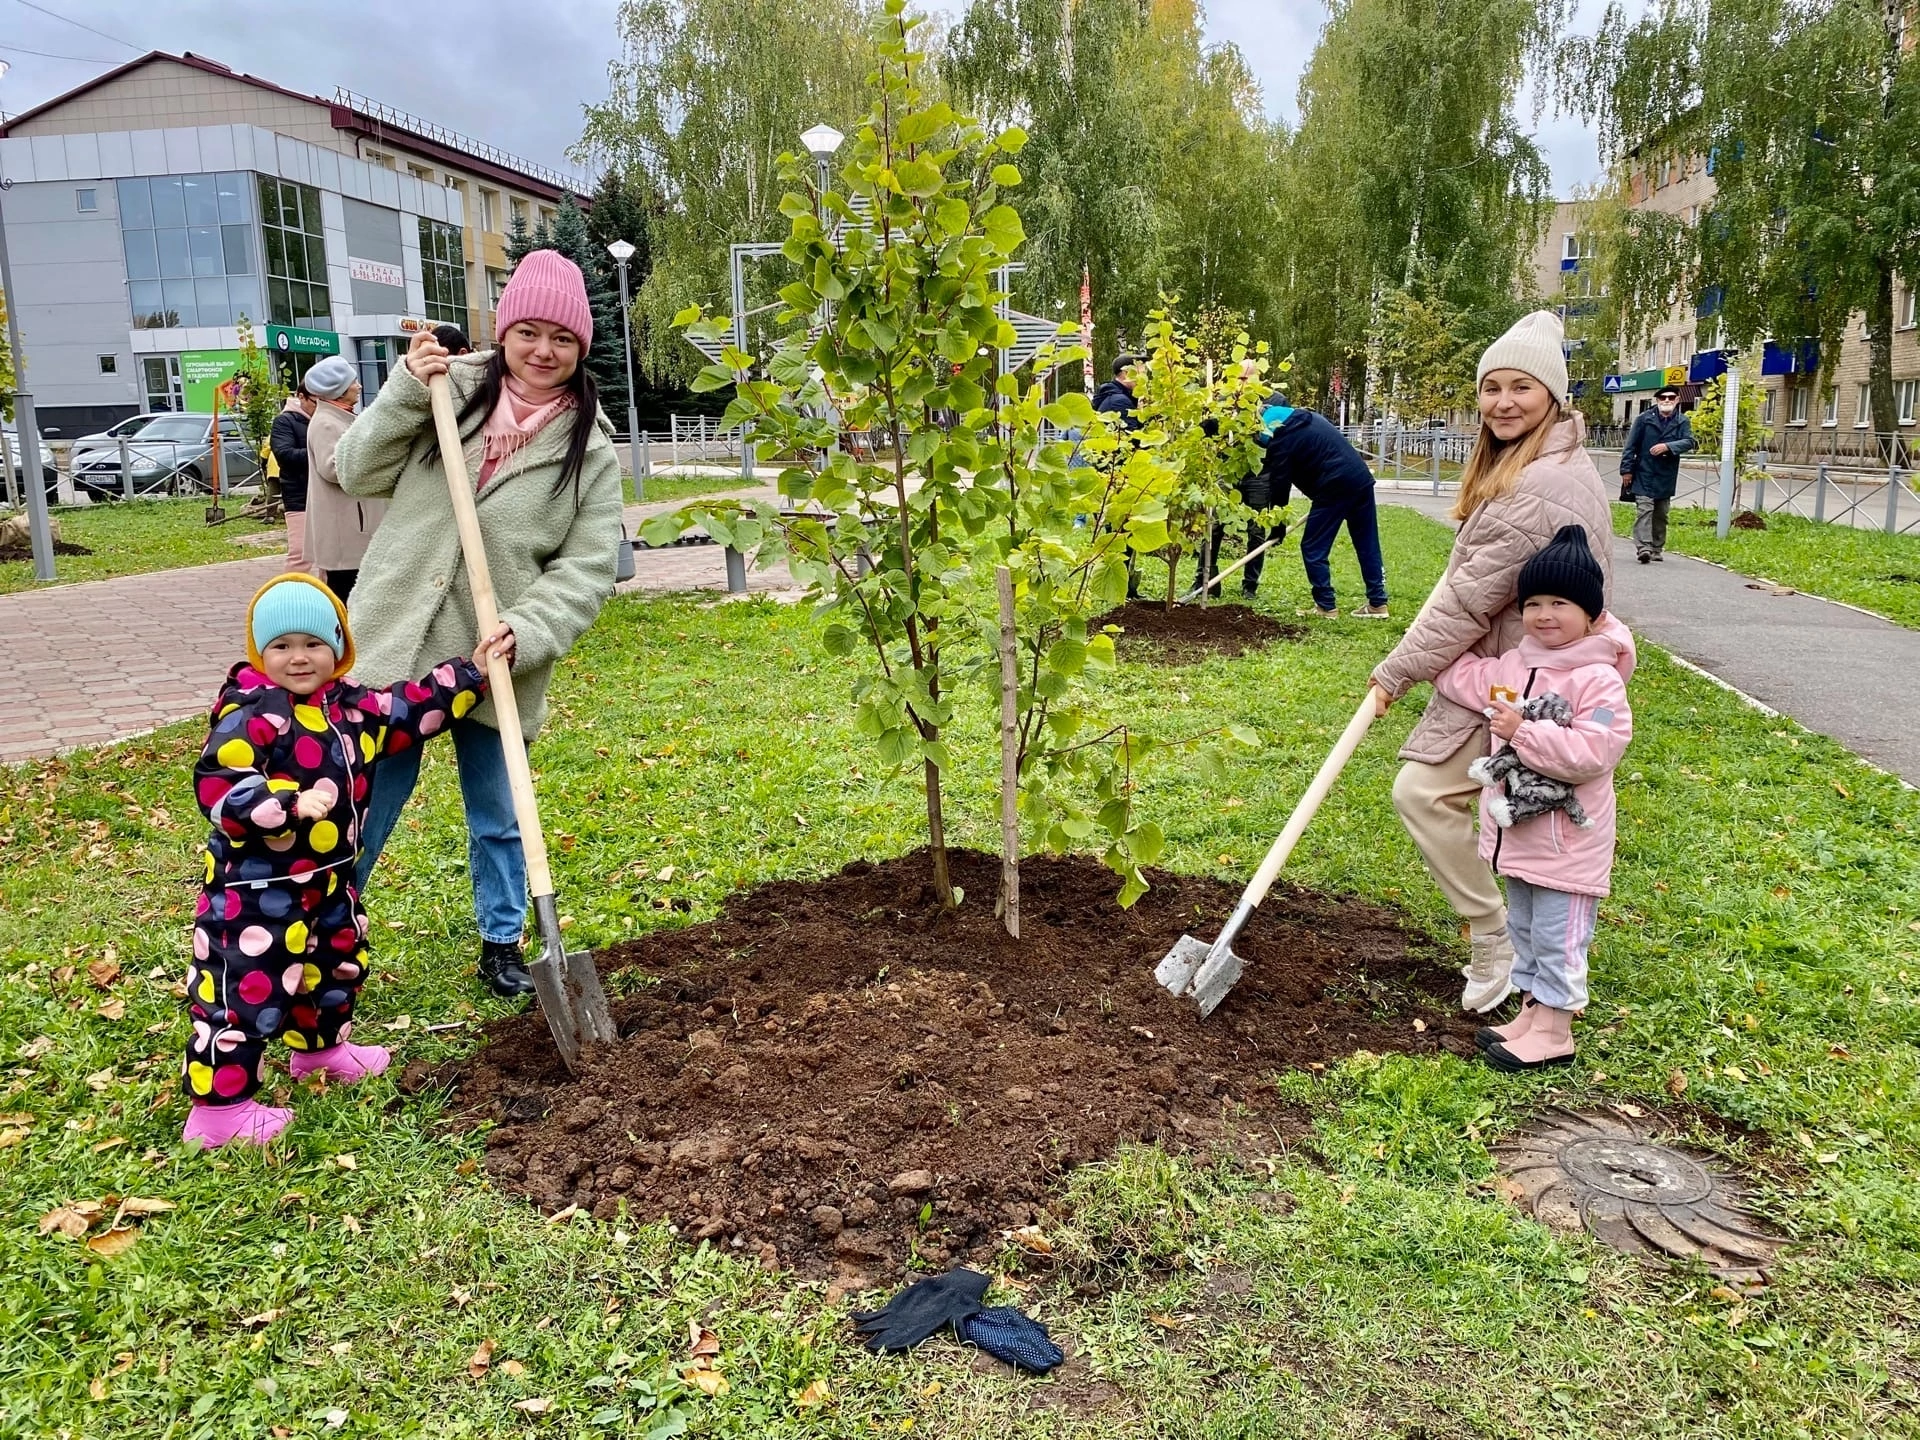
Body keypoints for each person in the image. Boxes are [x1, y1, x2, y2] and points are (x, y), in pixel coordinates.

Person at [338, 250, 624, 999]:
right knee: (362, 800)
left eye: (561, 338)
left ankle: (502, 943)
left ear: (580, 347)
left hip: (496, 654)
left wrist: (528, 630)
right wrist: (404, 388)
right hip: (399, 639)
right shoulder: (445, 390)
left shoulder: (589, 446)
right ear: (503, 333)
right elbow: (354, 469)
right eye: (527, 332)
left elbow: (589, 567)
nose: (542, 351)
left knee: (500, 815)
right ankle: (321, 930)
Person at [183, 573, 492, 1147]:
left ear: (339, 648)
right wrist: (286, 803)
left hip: (329, 883)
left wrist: (470, 672)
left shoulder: (353, 708)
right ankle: (219, 1112)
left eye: (313, 644)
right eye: (281, 646)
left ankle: (320, 1053)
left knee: (331, 968)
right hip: (255, 893)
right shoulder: (252, 714)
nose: (298, 658)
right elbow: (219, 786)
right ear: (260, 651)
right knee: (245, 988)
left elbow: (412, 709)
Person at [1370, 309, 1614, 1014]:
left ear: (1554, 398)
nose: (1503, 402)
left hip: (1529, 681)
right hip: (1521, 669)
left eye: (1522, 388)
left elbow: (1468, 603)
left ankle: (1496, 936)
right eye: (1490, 388)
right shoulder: (1533, 464)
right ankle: (1513, 935)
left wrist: (1397, 672)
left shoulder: (1542, 484)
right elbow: (1468, 587)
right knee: (1457, 801)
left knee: (1422, 794)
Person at [1432, 526, 1634, 1071]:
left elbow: (1595, 751)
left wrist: (1521, 731)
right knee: (1524, 930)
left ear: (1590, 615)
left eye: (1560, 603)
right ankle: (1531, 1014)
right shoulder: (1516, 665)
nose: (1545, 615)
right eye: (1534, 603)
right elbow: (1467, 679)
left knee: (1558, 936)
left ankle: (1557, 1031)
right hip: (1517, 838)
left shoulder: (1599, 681)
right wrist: (1434, 645)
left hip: (1566, 842)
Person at [1258, 397, 1389, 618]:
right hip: (1360, 478)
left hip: (1335, 485)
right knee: (1367, 542)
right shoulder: (1307, 418)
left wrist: (1277, 525)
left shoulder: (1283, 438)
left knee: (1313, 547)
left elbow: (1279, 484)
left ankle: (1326, 606)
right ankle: (1378, 603)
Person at [1202, 361, 1285, 599]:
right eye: (1238, 379)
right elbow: (1214, 432)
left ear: (1258, 378)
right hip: (1227, 471)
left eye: (1246, 378)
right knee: (1213, 525)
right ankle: (1207, 578)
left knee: (1257, 528)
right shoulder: (1224, 401)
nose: (1241, 384)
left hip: (1260, 472)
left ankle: (1250, 585)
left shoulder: (1275, 401)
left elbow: (1275, 437)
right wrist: (1210, 426)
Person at [302, 356, 382, 602]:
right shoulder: (327, 423)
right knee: (346, 597)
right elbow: (333, 468)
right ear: (338, 390)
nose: (358, 386)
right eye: (353, 382)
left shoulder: (338, 418)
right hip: (346, 532)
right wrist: (377, 458)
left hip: (352, 528)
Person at [1619, 386, 1696, 563]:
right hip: (1644, 472)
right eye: (1662, 398)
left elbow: (1689, 441)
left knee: (1661, 513)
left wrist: (1668, 447)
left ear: (1677, 400)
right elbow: (1630, 446)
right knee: (1645, 510)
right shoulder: (1644, 419)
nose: (1666, 400)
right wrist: (1626, 470)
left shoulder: (1682, 420)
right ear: (1657, 401)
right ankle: (1643, 548)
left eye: (1670, 397)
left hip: (1665, 474)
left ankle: (1656, 547)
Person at [1093, 355, 1144, 598]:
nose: (1144, 376)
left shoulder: (1117, 398)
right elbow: (1134, 441)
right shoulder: (1119, 402)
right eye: (1140, 371)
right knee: (1119, 531)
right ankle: (1116, 588)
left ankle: (1120, 588)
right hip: (1119, 478)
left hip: (1114, 477)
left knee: (1118, 530)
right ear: (1126, 374)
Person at [270, 391, 314, 571]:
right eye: (314, 401)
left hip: (327, 496)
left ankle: (331, 598)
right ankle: (292, 595)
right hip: (299, 496)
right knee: (300, 554)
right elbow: (284, 454)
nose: (318, 406)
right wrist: (319, 452)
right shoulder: (285, 421)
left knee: (332, 556)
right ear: (301, 396)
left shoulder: (326, 418)